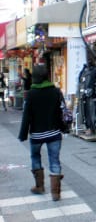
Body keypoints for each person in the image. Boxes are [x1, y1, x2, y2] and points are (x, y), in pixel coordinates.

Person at [18, 65, 64, 201]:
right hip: (54, 132)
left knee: (36, 157)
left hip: (37, 134)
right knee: (54, 160)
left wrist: (23, 134)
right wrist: (63, 128)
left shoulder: (31, 94)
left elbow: (27, 115)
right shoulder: (56, 92)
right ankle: (56, 193)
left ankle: (40, 186)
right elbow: (60, 112)